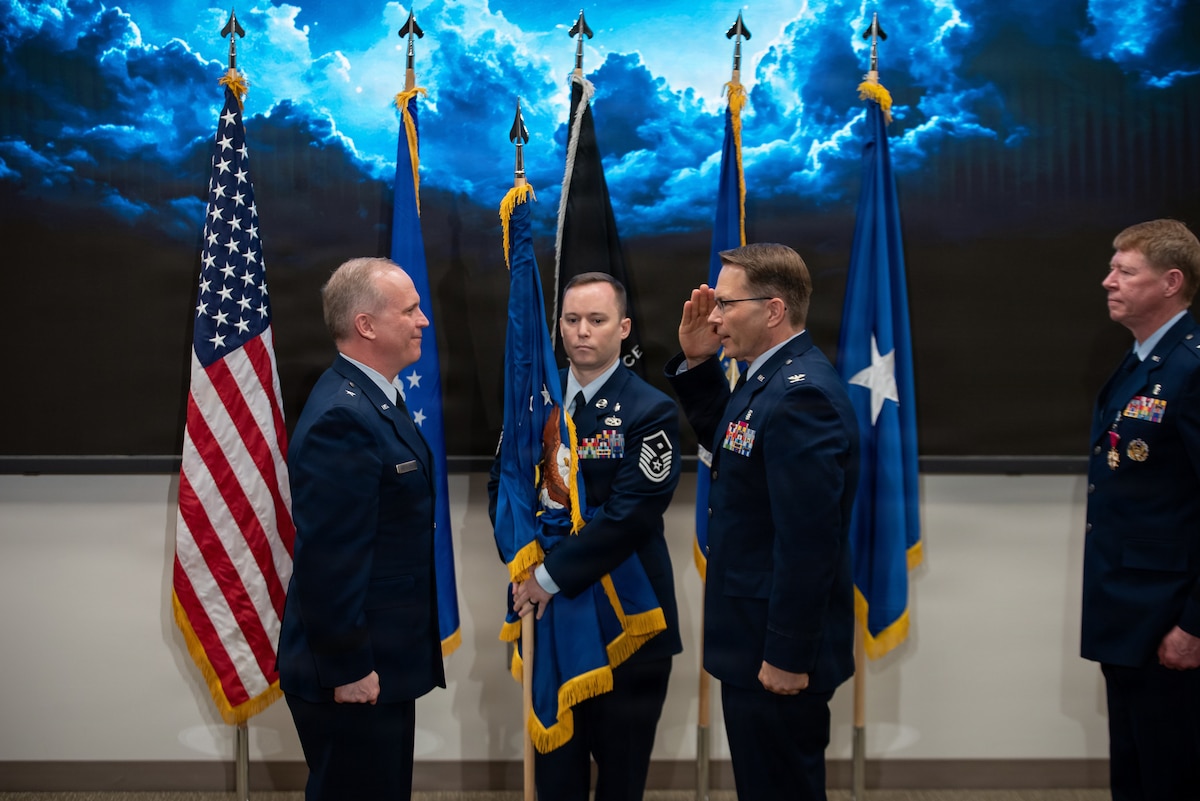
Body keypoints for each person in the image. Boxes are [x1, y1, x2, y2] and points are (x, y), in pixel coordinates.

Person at [665, 243, 859, 801]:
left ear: (773, 310)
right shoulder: (768, 379)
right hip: (753, 638)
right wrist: (700, 364)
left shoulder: (804, 397)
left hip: (776, 649)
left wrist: (787, 652)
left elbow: (808, 542)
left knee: (782, 787)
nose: (715, 316)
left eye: (727, 304)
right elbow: (732, 448)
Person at [496, 272, 682, 801]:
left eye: (597, 320)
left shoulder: (651, 410)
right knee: (556, 779)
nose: (582, 332)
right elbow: (504, 483)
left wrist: (547, 578)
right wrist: (522, 561)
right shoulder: (536, 402)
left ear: (623, 328)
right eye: (572, 320)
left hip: (627, 622)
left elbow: (630, 515)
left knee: (620, 782)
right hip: (549, 616)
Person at [277, 257, 445, 801]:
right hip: (352, 672)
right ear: (366, 325)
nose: (424, 321)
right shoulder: (343, 418)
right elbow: (330, 560)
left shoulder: (375, 399)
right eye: (410, 310)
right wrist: (349, 667)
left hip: (383, 660)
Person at [1082, 218, 1200, 800]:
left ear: (1171, 282)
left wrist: (1195, 624)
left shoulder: (1192, 369)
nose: (1108, 282)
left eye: (1125, 272)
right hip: (1127, 610)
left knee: (1170, 774)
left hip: (1169, 617)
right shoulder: (1140, 362)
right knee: (1134, 770)